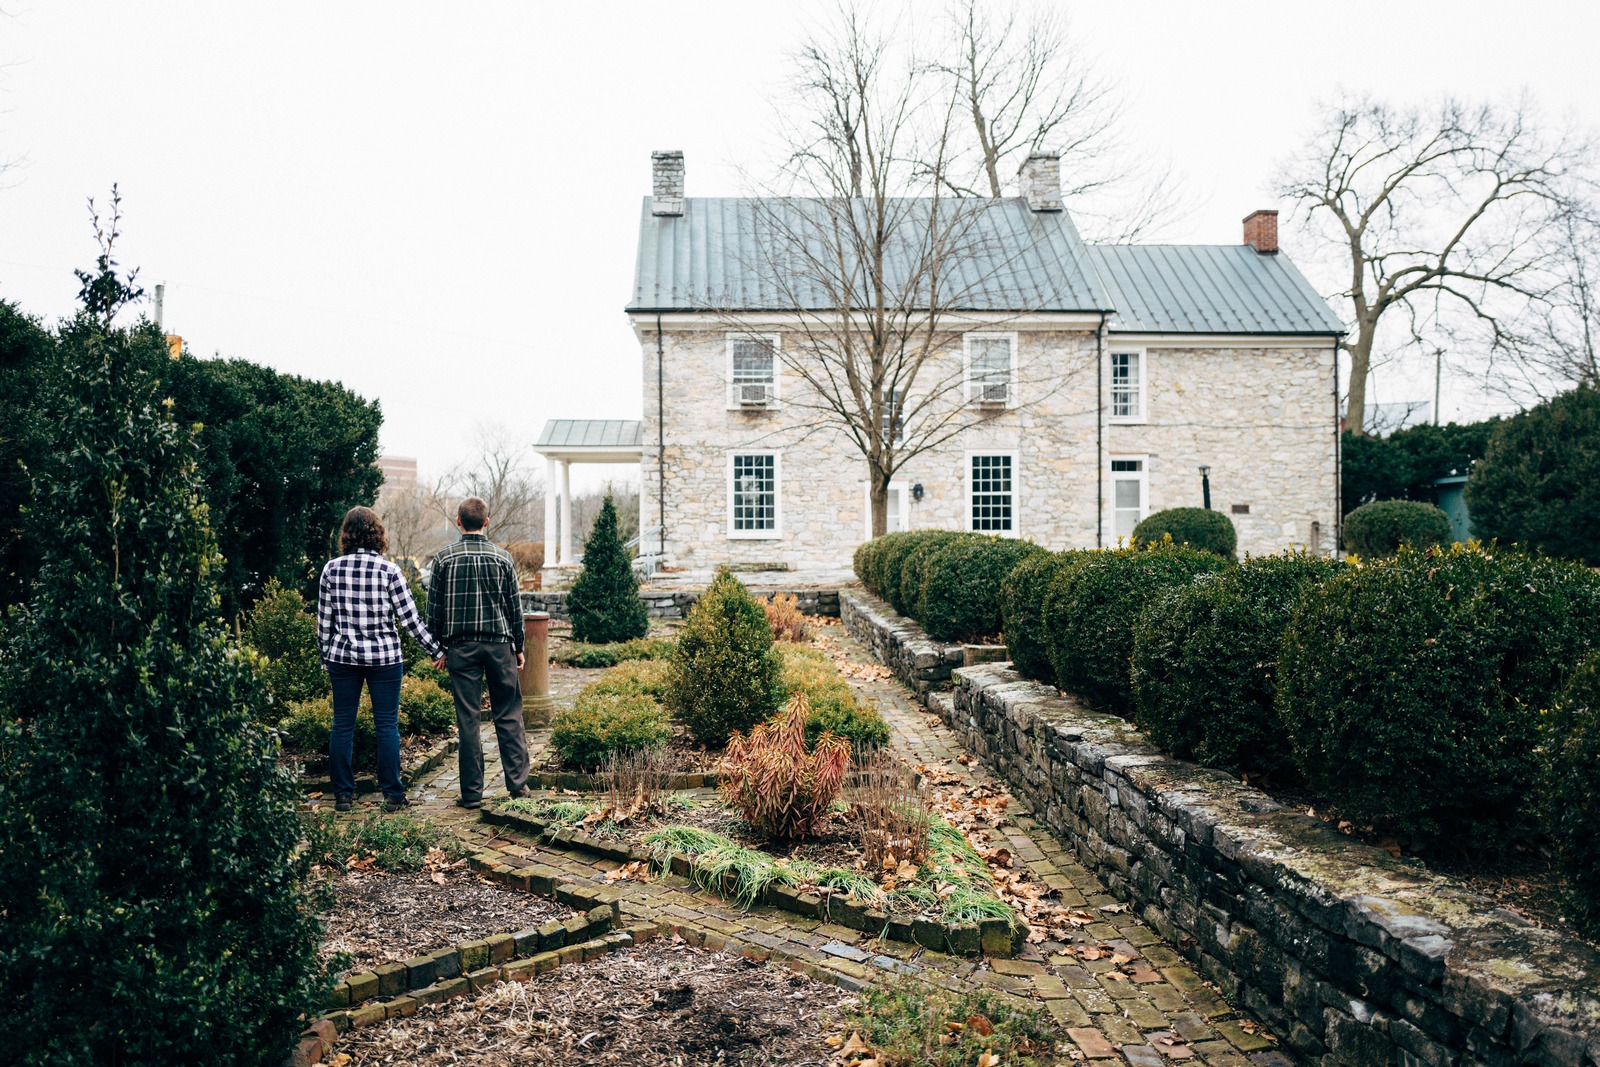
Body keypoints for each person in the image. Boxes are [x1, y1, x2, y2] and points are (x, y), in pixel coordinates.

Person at [316, 506, 442, 813]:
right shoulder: (390, 571)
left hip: (343, 657)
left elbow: (324, 623)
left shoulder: (331, 570)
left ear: (346, 535)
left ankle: (343, 796)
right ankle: (392, 795)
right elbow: (410, 620)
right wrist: (436, 651)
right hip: (384, 658)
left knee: (342, 724)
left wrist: (325, 656)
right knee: (386, 725)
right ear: (378, 534)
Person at [426, 496, 531, 808]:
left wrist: (437, 648)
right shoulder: (503, 558)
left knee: (468, 719)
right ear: (487, 522)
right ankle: (518, 785)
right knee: (508, 713)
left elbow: (433, 611)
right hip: (499, 646)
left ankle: (472, 794)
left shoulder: (443, 559)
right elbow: (515, 609)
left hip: (461, 648)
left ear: (458, 522)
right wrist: (519, 647)